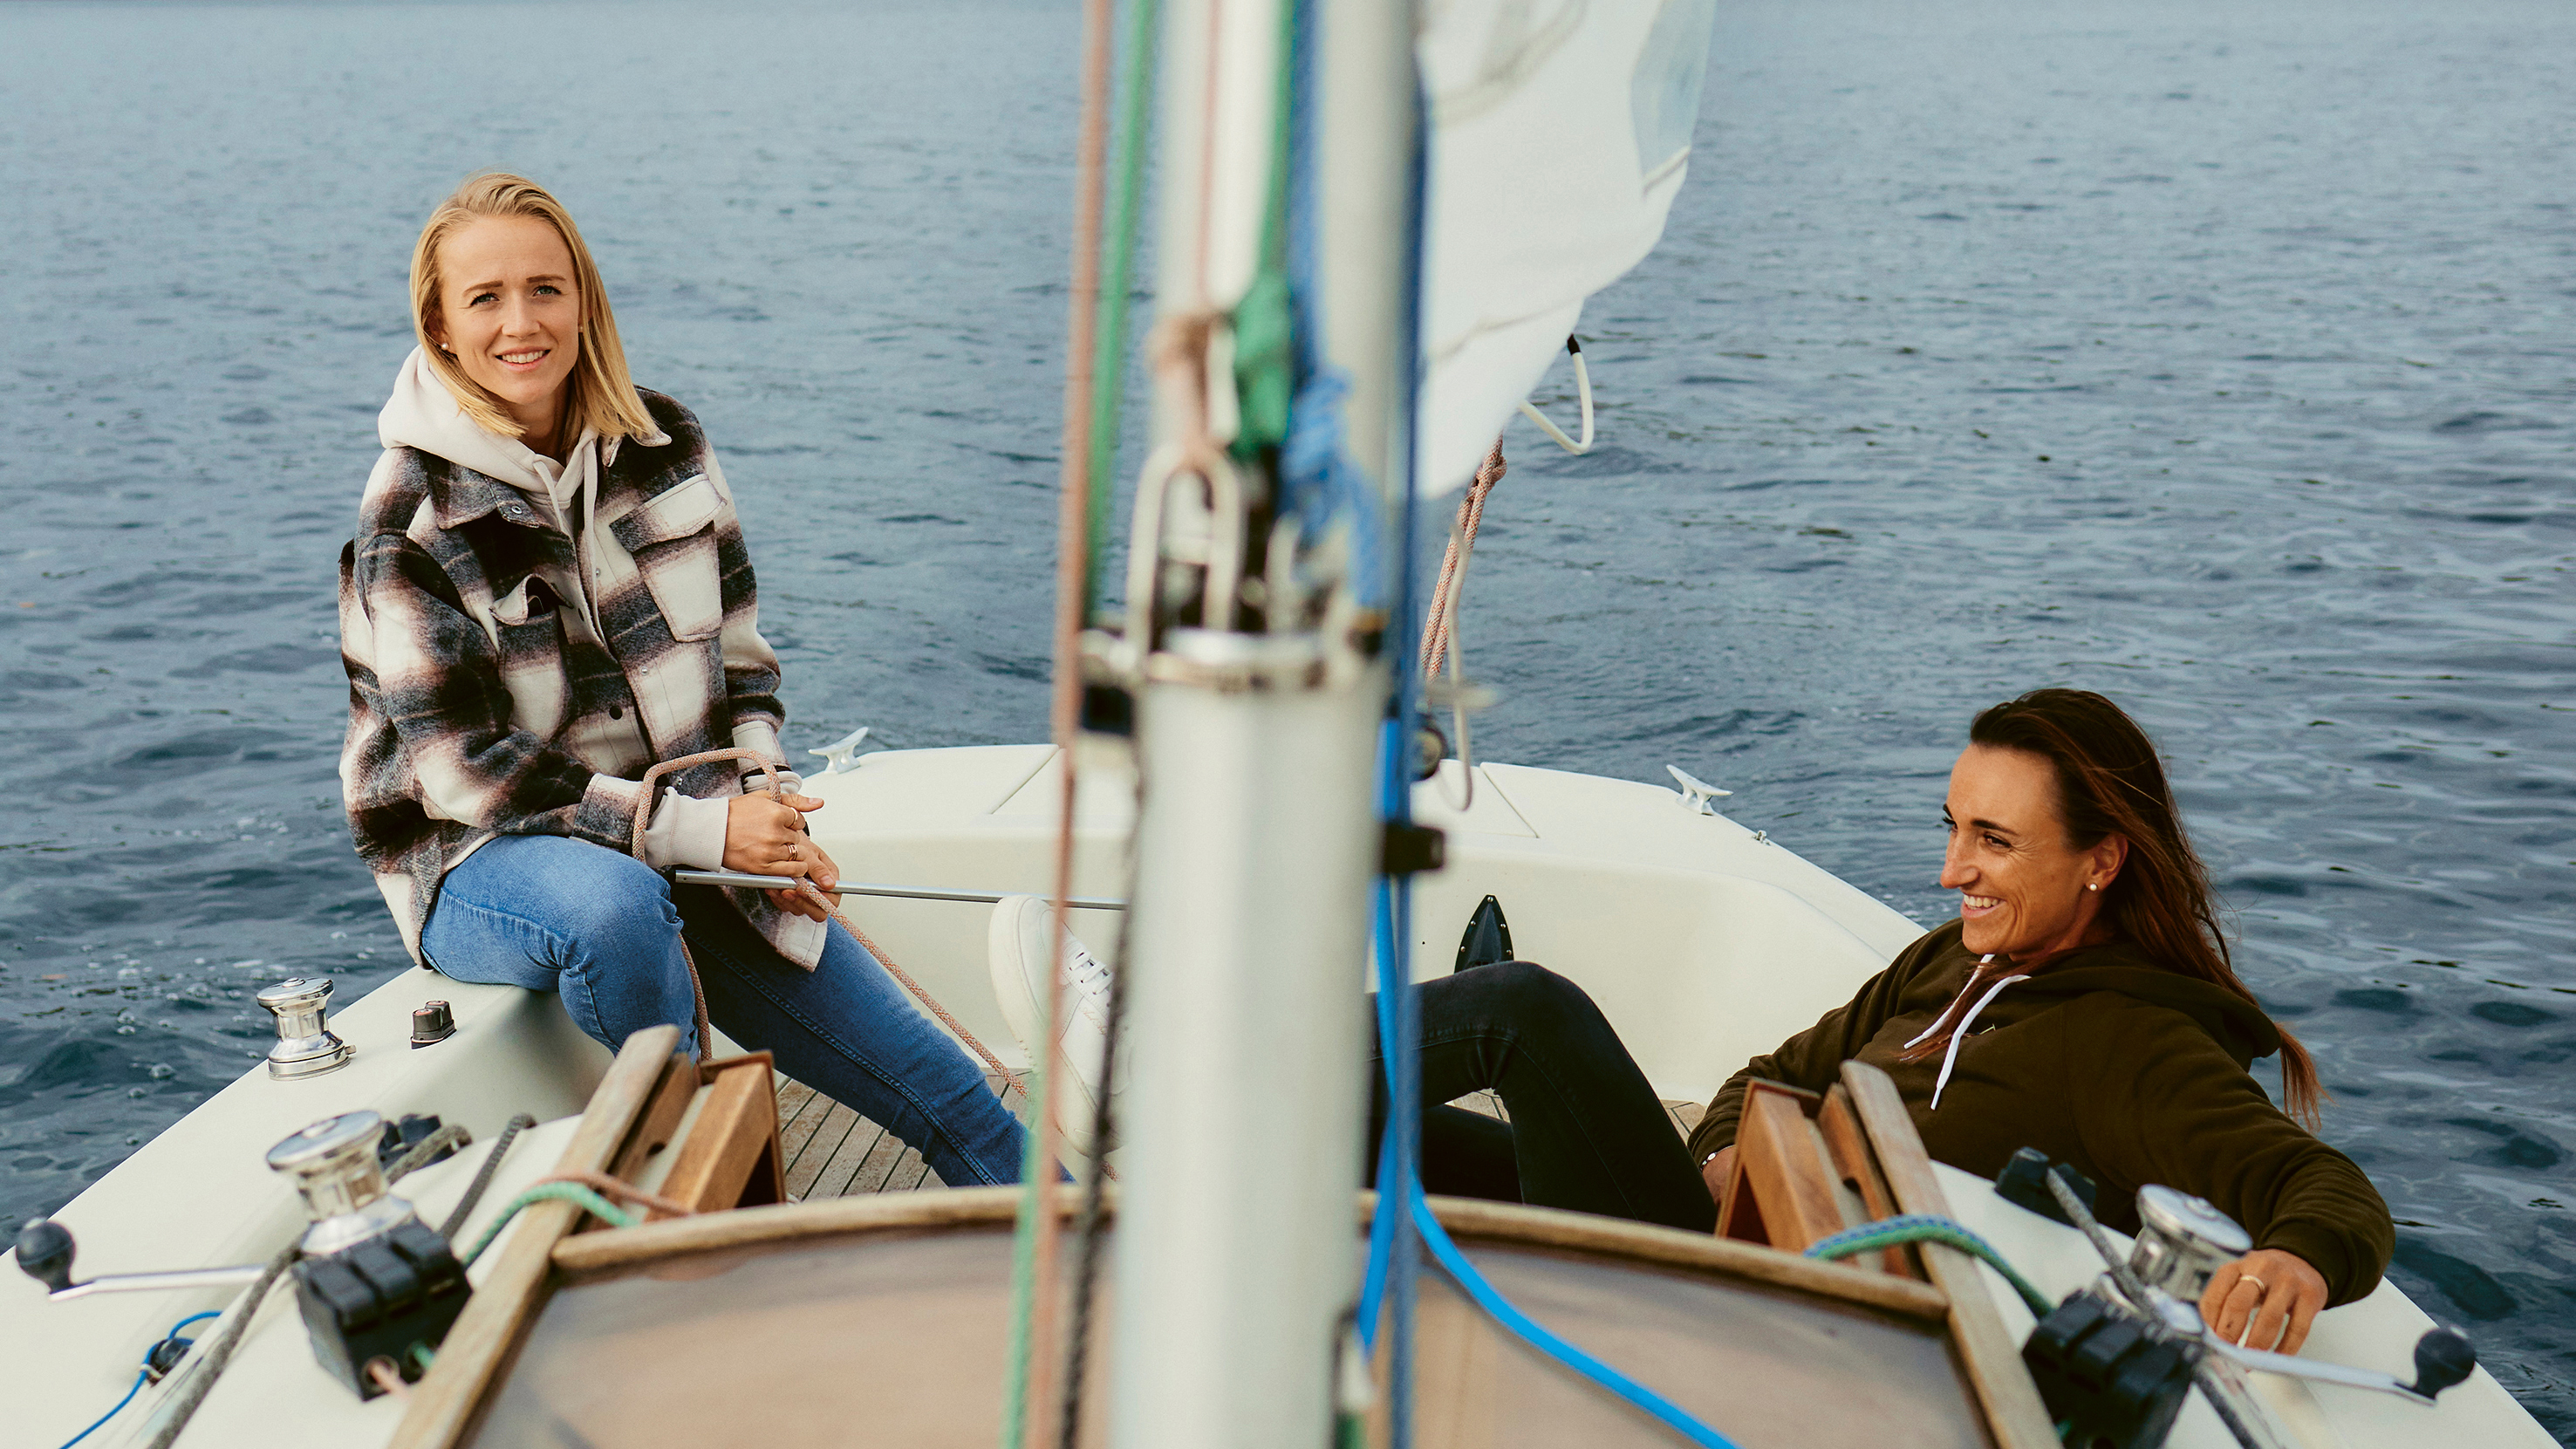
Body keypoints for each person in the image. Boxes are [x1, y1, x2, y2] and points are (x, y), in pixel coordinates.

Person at [996, 688, 2390, 1356]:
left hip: (1784, 1323)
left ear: (2101, 859)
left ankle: (1165, 1083)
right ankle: (1193, 1128)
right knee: (1374, 1151)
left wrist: (2299, 1262)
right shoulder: (1944, 964)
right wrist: (1725, 1149)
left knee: (1525, 1014)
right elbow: (1774, 1071)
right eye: (1950, 826)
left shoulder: (2128, 1042)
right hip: (1733, 1236)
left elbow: (2316, 1186)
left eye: (1993, 842)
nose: (1951, 867)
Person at [338, 173, 1027, 1189]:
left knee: (958, 1097)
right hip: (483, 852)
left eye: (546, 287)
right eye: (484, 298)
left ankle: (1093, 1292)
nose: (520, 321)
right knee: (613, 909)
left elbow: (742, 665)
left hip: (684, 834)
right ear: (439, 326)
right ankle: (719, 1224)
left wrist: (766, 809)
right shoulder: (411, 518)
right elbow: (464, 773)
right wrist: (699, 835)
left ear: (585, 301)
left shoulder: (665, 445)